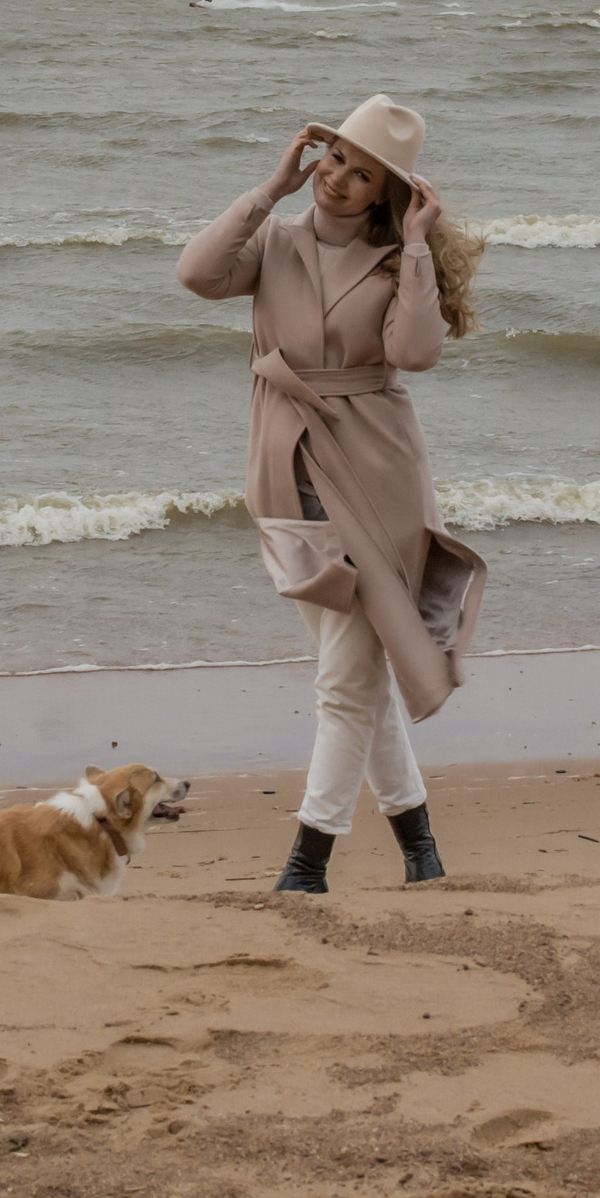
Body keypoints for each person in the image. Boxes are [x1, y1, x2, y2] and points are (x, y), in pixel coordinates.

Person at [176, 94, 488, 892]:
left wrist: (415, 246)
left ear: (390, 193)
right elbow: (196, 272)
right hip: (288, 475)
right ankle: (420, 845)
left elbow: (414, 354)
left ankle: (307, 864)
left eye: (363, 174)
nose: (340, 180)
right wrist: (268, 188)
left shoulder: (395, 263)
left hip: (378, 483)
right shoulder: (272, 242)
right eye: (335, 160)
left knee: (345, 679)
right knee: (351, 667)